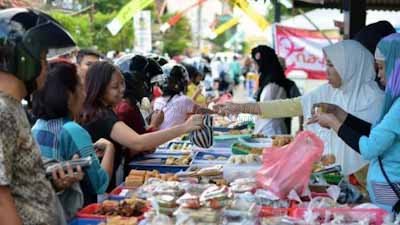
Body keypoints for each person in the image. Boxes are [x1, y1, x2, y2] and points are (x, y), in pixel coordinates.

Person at [214, 40, 385, 176]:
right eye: (326, 64)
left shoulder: (376, 100)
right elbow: (290, 106)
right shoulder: (329, 90)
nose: (326, 71)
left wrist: (334, 122)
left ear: (350, 66)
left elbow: (374, 145)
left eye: (331, 65)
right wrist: (241, 107)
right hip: (328, 175)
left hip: (365, 186)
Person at [0, 8, 77, 225]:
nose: (46, 68)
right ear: (22, 59)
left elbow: (18, 183)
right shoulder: (3, 111)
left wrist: (51, 181)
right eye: (42, 58)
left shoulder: (13, 107)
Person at [309, 33, 400, 212]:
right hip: (383, 191)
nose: (378, 74)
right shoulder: (395, 102)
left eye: (382, 67)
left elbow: (369, 147)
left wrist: (334, 123)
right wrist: (340, 114)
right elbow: (375, 133)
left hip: (390, 192)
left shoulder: (388, 102)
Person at [79, 61, 204, 189]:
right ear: (99, 88)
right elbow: (138, 142)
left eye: (122, 83)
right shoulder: (102, 116)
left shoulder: (104, 111)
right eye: (115, 87)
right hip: (100, 189)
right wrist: (184, 127)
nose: (122, 89)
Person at [31, 60, 115, 208]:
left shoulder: (36, 126)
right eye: (81, 87)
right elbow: (100, 184)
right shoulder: (73, 130)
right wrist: (110, 148)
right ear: (69, 95)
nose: (85, 94)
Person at [251, 45, 301, 135]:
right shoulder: (266, 81)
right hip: (271, 130)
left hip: (272, 132)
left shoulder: (274, 85)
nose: (254, 67)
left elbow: (265, 109)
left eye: (255, 63)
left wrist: (238, 108)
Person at [153, 63, 214, 130]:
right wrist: (216, 112)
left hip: (160, 138)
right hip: (175, 137)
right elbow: (201, 110)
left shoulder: (157, 101)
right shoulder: (184, 100)